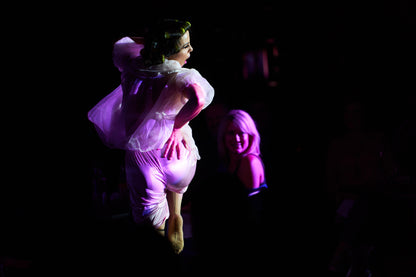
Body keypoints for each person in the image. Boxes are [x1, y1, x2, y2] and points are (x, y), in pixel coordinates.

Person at [87, 19, 214, 254]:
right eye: (186, 46)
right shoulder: (179, 76)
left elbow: (121, 44)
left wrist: (157, 38)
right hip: (177, 154)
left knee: (152, 232)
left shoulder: (132, 66)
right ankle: (176, 215)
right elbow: (199, 98)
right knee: (175, 191)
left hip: (143, 161)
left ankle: (161, 254)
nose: (191, 50)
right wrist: (177, 127)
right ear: (169, 51)